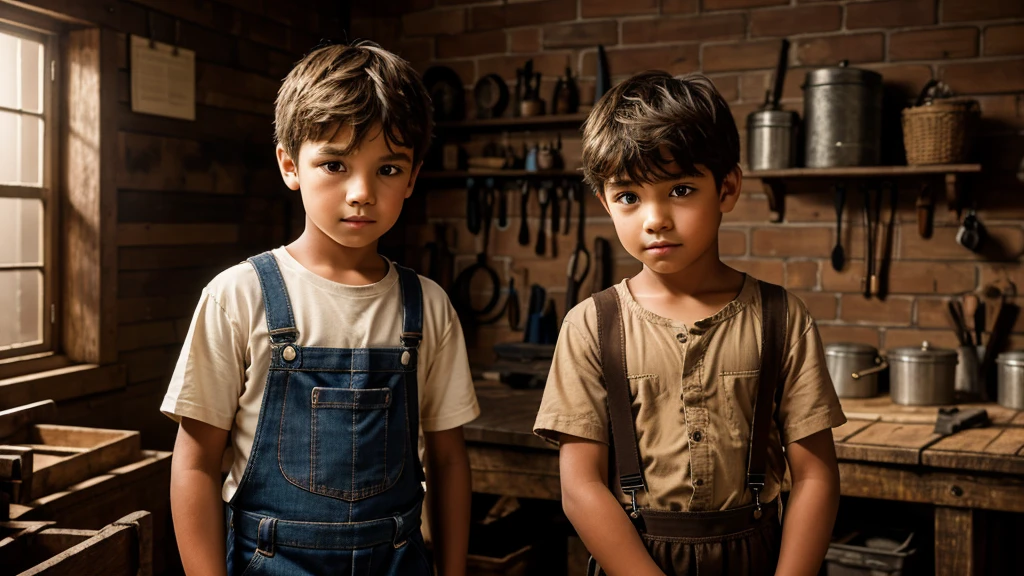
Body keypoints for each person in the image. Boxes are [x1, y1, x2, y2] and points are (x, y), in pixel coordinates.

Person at [162, 40, 478, 576]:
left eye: (388, 169)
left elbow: (448, 461)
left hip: (398, 563)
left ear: (414, 177)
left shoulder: (428, 305)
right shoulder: (239, 295)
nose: (361, 192)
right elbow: (194, 463)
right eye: (334, 164)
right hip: (271, 563)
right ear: (290, 165)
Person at [533, 71, 846, 576]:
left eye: (680, 189)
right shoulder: (590, 325)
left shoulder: (781, 318)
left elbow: (815, 477)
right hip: (635, 560)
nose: (654, 218)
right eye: (629, 196)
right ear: (605, 203)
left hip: (757, 558)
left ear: (727, 188)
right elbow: (580, 487)